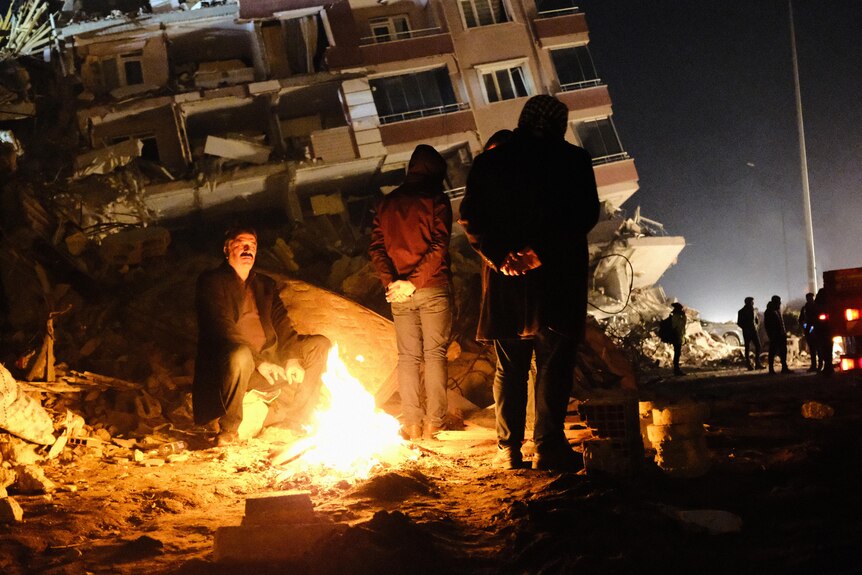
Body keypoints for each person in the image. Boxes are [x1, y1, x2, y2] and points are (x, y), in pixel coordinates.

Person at [458, 95, 600, 471]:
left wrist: (500, 256)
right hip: (556, 281)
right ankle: (549, 446)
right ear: (560, 124)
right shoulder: (572, 161)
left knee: (510, 368)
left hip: (506, 285)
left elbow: (470, 215)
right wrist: (540, 252)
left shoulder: (490, 161)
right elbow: (582, 215)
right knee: (553, 365)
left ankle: (509, 449)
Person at [193, 225, 331, 446]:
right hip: (233, 365)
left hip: (270, 357)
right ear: (228, 248)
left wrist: (292, 358)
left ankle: (298, 419)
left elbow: (282, 322)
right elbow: (222, 328)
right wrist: (260, 363)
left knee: (319, 345)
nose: (248, 249)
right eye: (242, 244)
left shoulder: (264, 285)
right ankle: (229, 429)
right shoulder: (212, 282)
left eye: (253, 246)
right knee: (240, 354)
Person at [368, 144, 454, 441]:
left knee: (407, 358)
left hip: (399, 294)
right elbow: (439, 246)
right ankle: (434, 424)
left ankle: (413, 424)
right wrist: (414, 281)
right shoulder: (437, 199)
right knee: (434, 355)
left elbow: (377, 248)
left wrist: (392, 282)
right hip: (432, 288)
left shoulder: (386, 203)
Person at [763, 295, 792, 374]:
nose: (780, 303)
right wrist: (771, 335)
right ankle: (771, 369)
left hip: (781, 334)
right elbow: (768, 325)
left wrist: (784, 332)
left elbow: (781, 322)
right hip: (775, 335)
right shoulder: (769, 312)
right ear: (775, 302)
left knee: (783, 351)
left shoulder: (777, 310)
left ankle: (784, 368)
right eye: (778, 302)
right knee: (773, 351)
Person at [737, 296, 763, 370]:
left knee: (758, 346)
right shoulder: (741, 311)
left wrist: (756, 326)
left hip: (754, 331)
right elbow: (739, 323)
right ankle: (749, 365)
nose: (753, 303)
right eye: (752, 301)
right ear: (748, 302)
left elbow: (756, 320)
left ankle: (757, 363)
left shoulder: (753, 310)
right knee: (747, 348)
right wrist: (746, 328)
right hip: (747, 332)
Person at [813, 288, 834, 374]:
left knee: (823, 349)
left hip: (821, 331)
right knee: (827, 349)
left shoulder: (817, 305)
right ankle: (828, 366)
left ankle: (827, 366)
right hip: (826, 331)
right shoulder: (827, 304)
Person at [798, 292, 818, 372]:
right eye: (809, 298)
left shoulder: (814, 307)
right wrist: (806, 328)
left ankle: (818, 365)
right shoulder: (805, 308)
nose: (810, 300)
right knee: (812, 349)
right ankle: (814, 365)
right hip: (810, 330)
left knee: (817, 349)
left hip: (815, 330)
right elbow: (801, 320)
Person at [669, 303, 687, 376]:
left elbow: (683, 325)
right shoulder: (676, 317)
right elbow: (679, 326)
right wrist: (683, 316)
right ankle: (676, 369)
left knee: (677, 353)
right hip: (676, 337)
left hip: (678, 337)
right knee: (677, 353)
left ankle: (676, 369)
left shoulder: (677, 316)